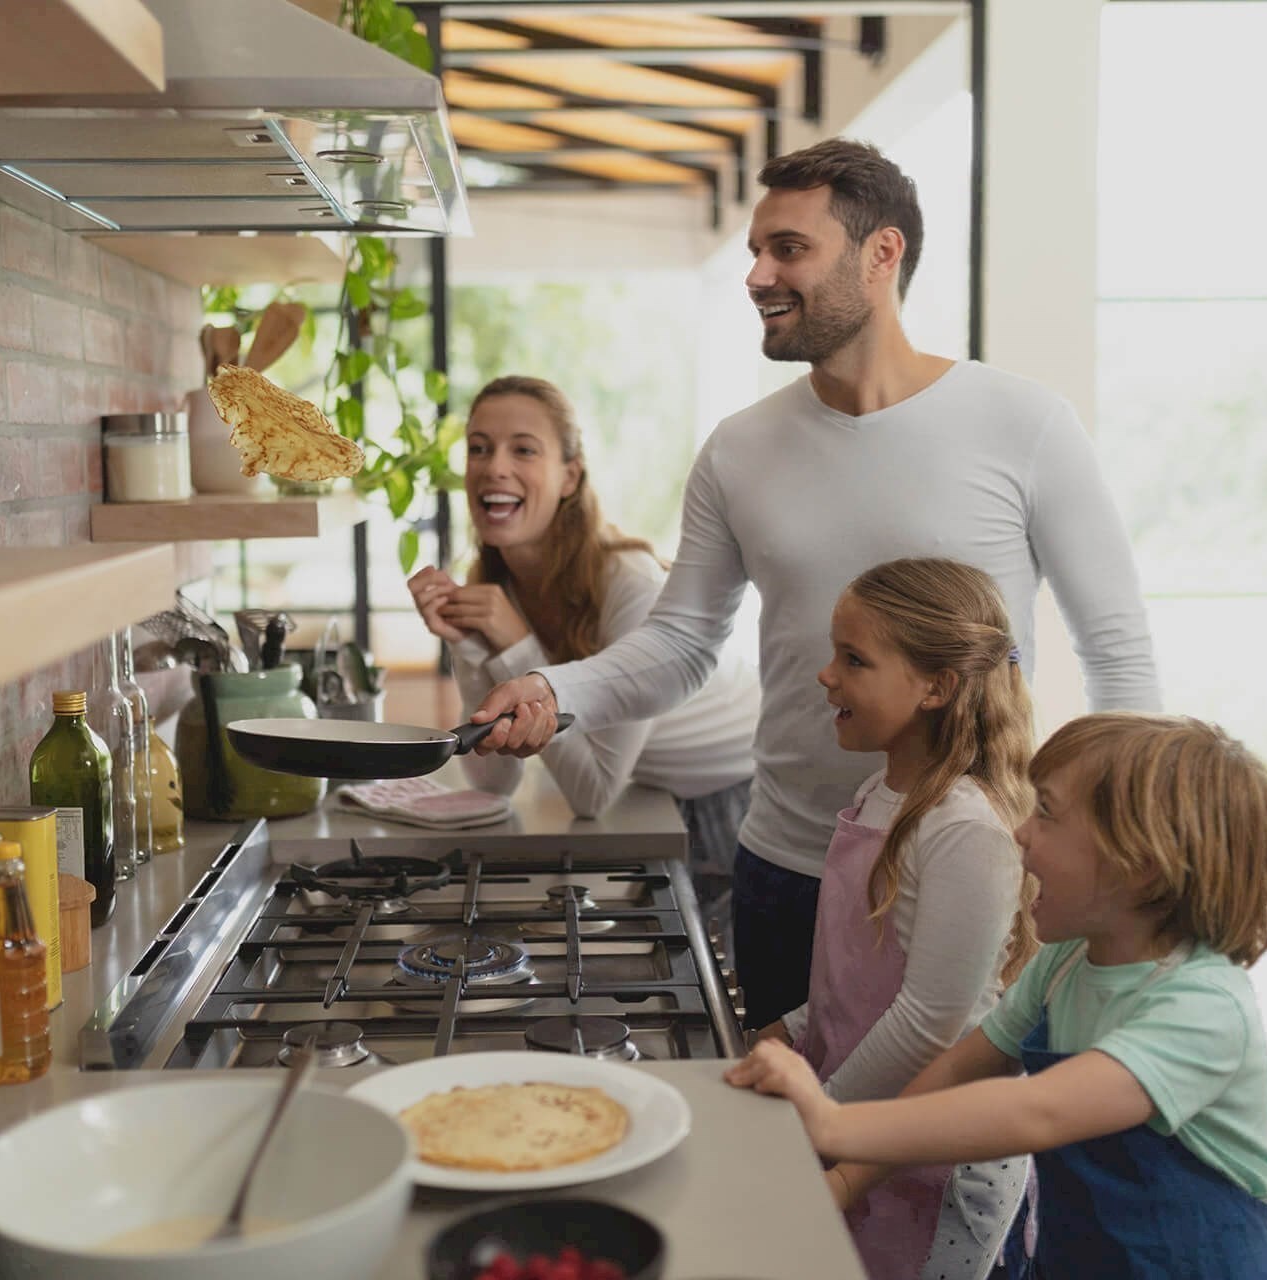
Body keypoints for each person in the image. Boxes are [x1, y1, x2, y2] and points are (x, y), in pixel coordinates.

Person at [458, 137, 1161, 1030]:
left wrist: (1118, 838)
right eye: (757, 250)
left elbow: (1116, 650)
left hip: (973, 868)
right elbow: (681, 643)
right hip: (788, 866)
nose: (758, 275)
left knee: (958, 1117)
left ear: (881, 253)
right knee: (785, 1110)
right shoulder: (739, 449)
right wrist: (554, 692)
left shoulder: (1025, 425)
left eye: (788, 248)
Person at [727, 713, 1267, 1279]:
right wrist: (849, 1177)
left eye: (1046, 812)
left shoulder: (1203, 1008)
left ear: (1141, 866)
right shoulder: (1064, 962)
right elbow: (956, 1071)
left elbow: (1041, 1111)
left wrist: (831, 1122)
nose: (1021, 831)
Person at [749, 558, 1037, 1280]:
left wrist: (826, 1117)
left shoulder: (963, 827)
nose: (826, 675)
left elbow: (931, 1019)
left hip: (934, 1152)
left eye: (854, 659)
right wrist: (790, 1029)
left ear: (936, 688)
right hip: (866, 1122)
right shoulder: (881, 791)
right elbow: (860, 974)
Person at [407, 375, 760, 946]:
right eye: (479, 448)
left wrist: (515, 645)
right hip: (652, 793)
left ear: (570, 476)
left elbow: (592, 794)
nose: (494, 467)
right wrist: (468, 644)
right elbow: (494, 781)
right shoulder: (500, 586)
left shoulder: (628, 584)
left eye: (524, 449)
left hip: (732, 801)